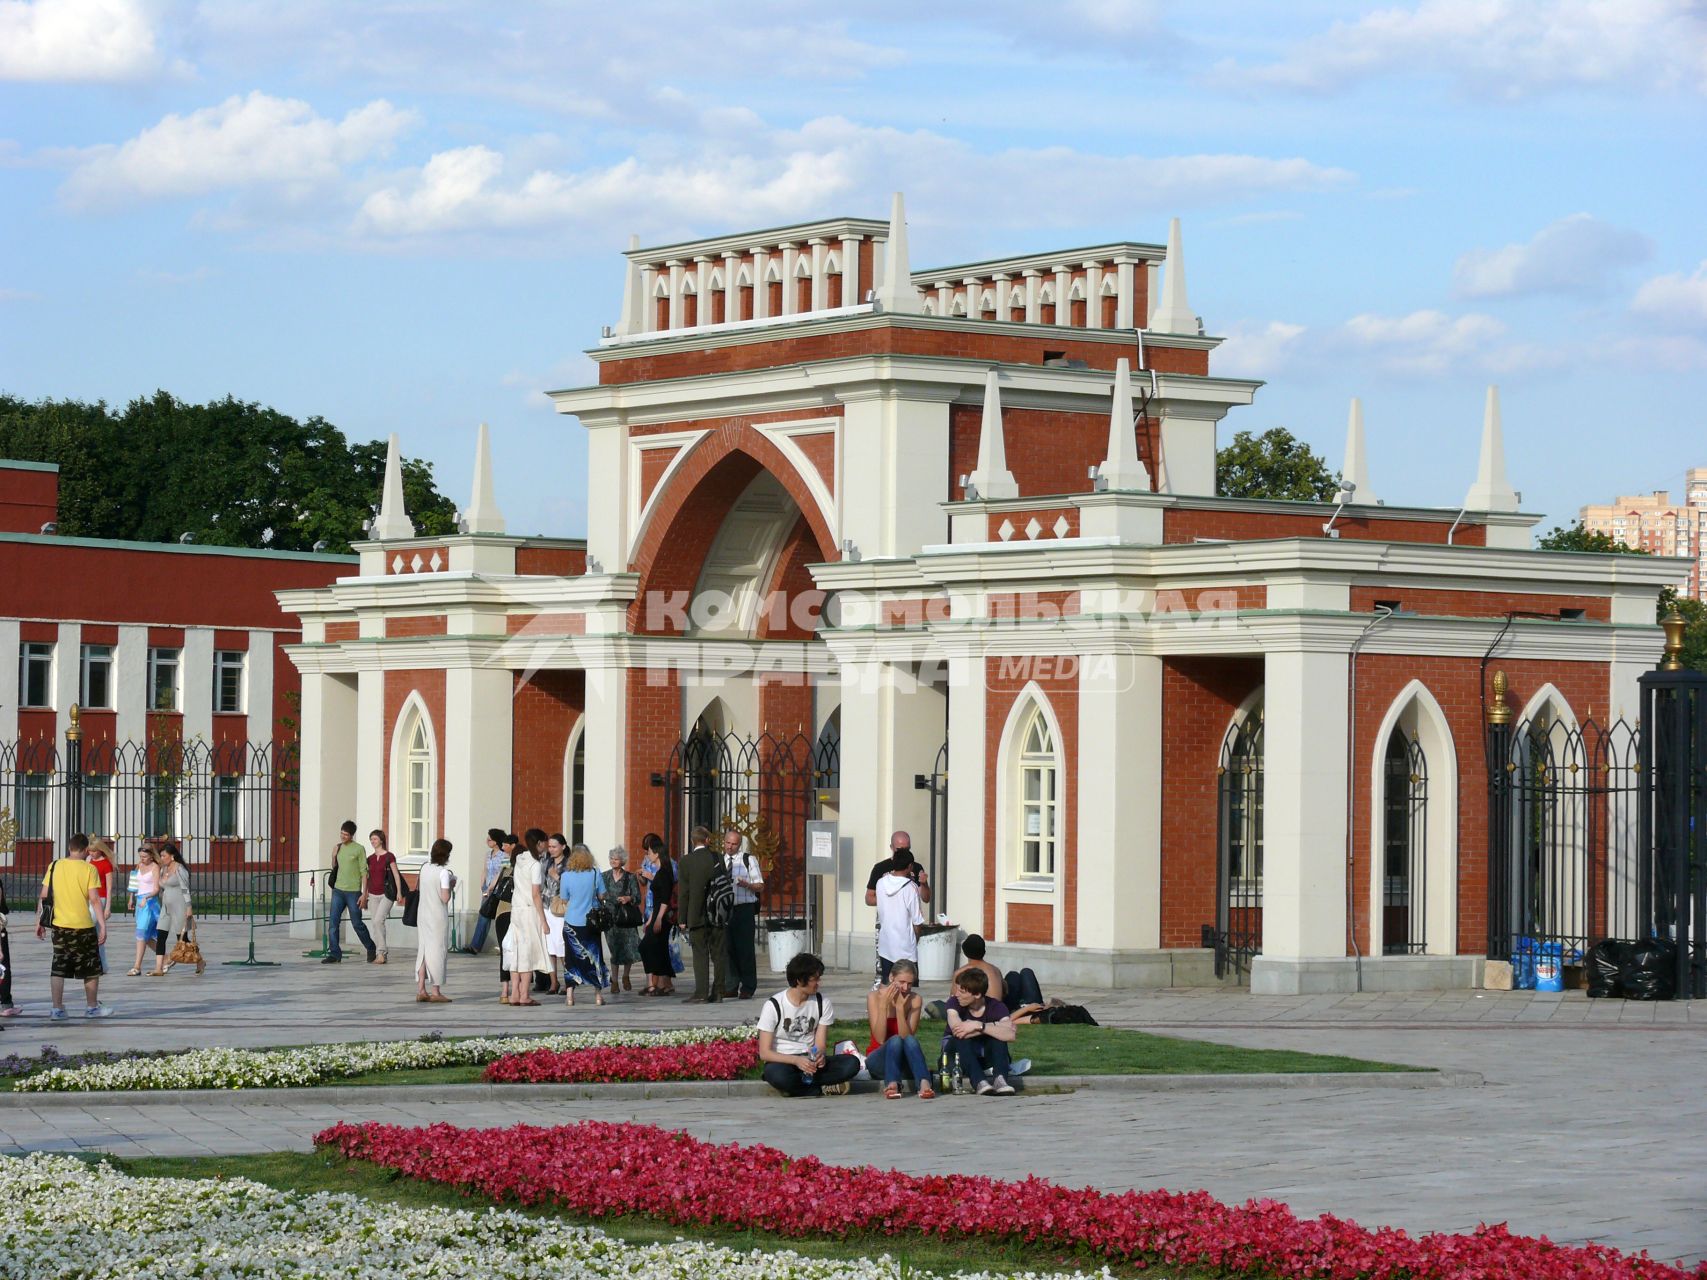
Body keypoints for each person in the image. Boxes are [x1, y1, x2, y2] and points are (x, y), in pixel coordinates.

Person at [757, 951, 858, 1097]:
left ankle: (798, 1087)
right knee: (777, 1074)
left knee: (851, 1064)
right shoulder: (774, 1005)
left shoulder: (822, 1003)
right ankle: (819, 1088)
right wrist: (796, 1060)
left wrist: (819, 1055)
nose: (818, 983)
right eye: (814, 979)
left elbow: (820, 1044)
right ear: (799, 980)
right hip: (784, 1060)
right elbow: (765, 1053)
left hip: (810, 1060)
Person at [34, 835, 111, 1020]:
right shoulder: (89, 869)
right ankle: (92, 1007)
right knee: (90, 968)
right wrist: (102, 925)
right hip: (83, 925)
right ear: (85, 850)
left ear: (69, 848)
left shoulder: (54, 866)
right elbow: (94, 898)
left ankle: (57, 1009)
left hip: (59, 925)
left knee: (58, 967)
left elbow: (44, 895)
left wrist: (39, 921)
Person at [865, 831, 929, 986]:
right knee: (888, 979)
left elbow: (926, 898)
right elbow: (869, 898)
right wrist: (894, 902)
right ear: (891, 847)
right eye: (899, 849)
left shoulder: (916, 868)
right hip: (890, 933)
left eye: (907, 849)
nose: (903, 852)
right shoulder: (881, 869)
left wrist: (924, 884)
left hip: (902, 933)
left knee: (903, 983)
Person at [865, 958, 934, 1099]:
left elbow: (906, 1037)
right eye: (901, 982)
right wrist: (884, 1006)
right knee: (895, 1040)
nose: (905, 988)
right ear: (891, 977)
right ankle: (892, 1083)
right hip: (879, 1059)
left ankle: (924, 1083)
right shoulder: (874, 997)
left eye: (910, 984)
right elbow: (879, 1038)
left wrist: (899, 1009)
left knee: (908, 1040)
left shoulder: (915, 999)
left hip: (903, 1060)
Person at [945, 967, 1017, 1096]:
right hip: (957, 1058)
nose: (957, 994)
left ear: (977, 994)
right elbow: (958, 1031)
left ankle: (1000, 1080)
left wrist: (978, 1026)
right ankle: (979, 1082)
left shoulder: (996, 1006)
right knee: (962, 1039)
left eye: (962, 991)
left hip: (985, 1057)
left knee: (998, 1038)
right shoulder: (954, 1003)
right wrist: (995, 1026)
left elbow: (1010, 1034)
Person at [676, 825, 725, 1004]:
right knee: (719, 954)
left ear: (692, 841)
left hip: (696, 914)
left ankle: (701, 993)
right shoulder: (717, 857)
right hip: (718, 912)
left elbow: (684, 892)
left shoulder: (686, 861)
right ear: (707, 840)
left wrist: (682, 918)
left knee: (700, 953)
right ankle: (718, 991)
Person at [504, 827, 550, 1006]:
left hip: (516, 909)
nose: (546, 845)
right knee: (528, 952)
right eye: (545, 841)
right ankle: (524, 995)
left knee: (516, 950)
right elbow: (536, 894)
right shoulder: (535, 864)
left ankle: (514, 993)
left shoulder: (519, 858)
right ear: (539, 843)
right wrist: (544, 921)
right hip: (529, 910)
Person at [323, 820, 377, 965]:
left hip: (353, 892)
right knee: (333, 922)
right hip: (338, 891)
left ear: (351, 835)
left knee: (356, 923)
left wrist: (364, 894)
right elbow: (335, 867)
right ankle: (335, 953)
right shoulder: (338, 847)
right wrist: (333, 855)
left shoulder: (359, 849)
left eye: (346, 834)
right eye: (341, 833)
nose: (343, 836)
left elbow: (364, 872)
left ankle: (371, 947)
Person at [559, 843, 607, 1007]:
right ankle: (598, 995)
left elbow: (564, 898)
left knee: (571, 959)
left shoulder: (566, 876)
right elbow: (602, 895)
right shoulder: (595, 873)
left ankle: (570, 996)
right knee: (595, 958)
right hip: (591, 923)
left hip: (572, 921)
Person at [722, 828, 764, 1000]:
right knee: (727, 948)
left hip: (744, 908)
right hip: (726, 909)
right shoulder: (719, 860)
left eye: (734, 844)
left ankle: (748, 986)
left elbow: (760, 885)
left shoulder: (748, 860)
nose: (730, 847)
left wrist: (747, 885)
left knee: (745, 949)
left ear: (739, 845)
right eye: (728, 843)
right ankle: (730, 985)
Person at [874, 847, 924, 984]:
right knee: (908, 990)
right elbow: (917, 921)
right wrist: (916, 939)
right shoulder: (911, 887)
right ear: (909, 867)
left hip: (886, 946)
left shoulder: (880, 883)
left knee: (888, 987)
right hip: (906, 949)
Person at [414, 839, 455, 1003]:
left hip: (423, 913)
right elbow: (445, 898)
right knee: (437, 950)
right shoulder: (443, 872)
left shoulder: (424, 867)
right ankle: (436, 991)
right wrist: (451, 886)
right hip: (437, 915)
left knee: (423, 950)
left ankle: (421, 989)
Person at [598, 845, 641, 994]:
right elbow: (598, 894)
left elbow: (637, 898)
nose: (613, 861)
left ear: (622, 861)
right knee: (614, 951)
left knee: (629, 949)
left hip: (626, 918)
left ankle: (626, 976)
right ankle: (614, 981)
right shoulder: (604, 877)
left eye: (616, 859)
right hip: (610, 918)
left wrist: (628, 898)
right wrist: (603, 898)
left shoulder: (630, 877)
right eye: (611, 858)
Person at [637, 835, 676, 997]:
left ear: (657, 854)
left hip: (664, 917)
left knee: (648, 946)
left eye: (650, 852)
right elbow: (657, 899)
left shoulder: (665, 873)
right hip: (656, 914)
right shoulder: (660, 871)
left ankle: (660, 982)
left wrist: (658, 918)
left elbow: (665, 900)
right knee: (658, 948)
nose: (648, 855)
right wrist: (651, 919)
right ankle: (661, 984)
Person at [152, 842, 199, 975]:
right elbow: (161, 886)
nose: (161, 858)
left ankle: (199, 960)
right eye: (160, 856)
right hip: (166, 908)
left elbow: (185, 889)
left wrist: (189, 907)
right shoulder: (163, 869)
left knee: (183, 939)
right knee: (161, 935)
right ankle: (158, 968)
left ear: (172, 856)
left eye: (164, 856)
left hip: (180, 907)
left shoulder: (180, 869)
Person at [461, 828, 507, 954]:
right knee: (483, 916)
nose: (487, 841)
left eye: (490, 839)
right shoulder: (488, 854)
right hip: (487, 890)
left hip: (499, 891)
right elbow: (485, 870)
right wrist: (483, 886)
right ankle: (475, 946)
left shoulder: (505, 856)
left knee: (501, 919)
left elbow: (501, 874)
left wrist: (491, 887)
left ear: (496, 841)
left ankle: (504, 947)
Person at [360, 829, 400, 965]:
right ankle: (380, 954)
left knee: (378, 921)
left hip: (386, 894)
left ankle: (382, 953)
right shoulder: (369, 859)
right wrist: (364, 895)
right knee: (375, 924)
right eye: (371, 839)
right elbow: (366, 877)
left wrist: (399, 892)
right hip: (372, 894)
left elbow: (396, 875)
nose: (372, 841)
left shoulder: (389, 856)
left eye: (375, 839)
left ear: (381, 840)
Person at [539, 833, 569, 994]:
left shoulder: (569, 864)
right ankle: (553, 981)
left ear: (563, 847)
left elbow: (569, 886)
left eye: (554, 846)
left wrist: (556, 876)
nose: (551, 849)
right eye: (549, 846)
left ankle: (567, 980)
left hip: (560, 907)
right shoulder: (546, 861)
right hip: (545, 905)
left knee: (561, 944)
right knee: (549, 945)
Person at [126, 846, 161, 977]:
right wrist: (131, 898)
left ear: (151, 856)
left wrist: (146, 897)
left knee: (141, 932)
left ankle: (137, 966)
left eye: (145, 857)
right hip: (140, 902)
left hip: (150, 903)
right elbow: (134, 883)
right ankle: (167, 958)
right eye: (140, 856)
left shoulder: (155, 867)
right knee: (146, 937)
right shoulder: (139, 865)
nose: (142, 859)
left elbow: (157, 888)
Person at [493, 837, 517, 1003]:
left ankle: (504, 991)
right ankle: (517, 990)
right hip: (515, 912)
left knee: (504, 950)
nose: (503, 847)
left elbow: (495, 882)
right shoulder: (523, 870)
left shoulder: (506, 865)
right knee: (517, 951)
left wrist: (488, 890)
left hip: (501, 910)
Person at [86, 837, 115, 974]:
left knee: (90, 928)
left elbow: (109, 888)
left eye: (94, 851)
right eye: (89, 851)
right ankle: (102, 965)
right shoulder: (88, 861)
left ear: (100, 850)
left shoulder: (106, 864)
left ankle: (96, 963)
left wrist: (108, 907)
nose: (91, 853)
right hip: (89, 898)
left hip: (101, 899)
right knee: (97, 933)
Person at [953, 933, 1005, 1003]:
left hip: (980, 1011)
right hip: (998, 1009)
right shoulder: (995, 970)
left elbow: (953, 1000)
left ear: (965, 951)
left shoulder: (961, 972)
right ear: (984, 951)